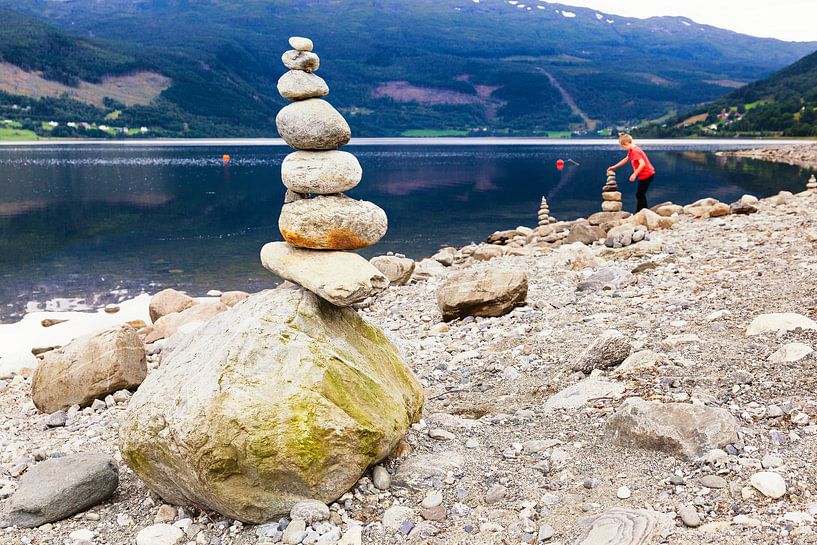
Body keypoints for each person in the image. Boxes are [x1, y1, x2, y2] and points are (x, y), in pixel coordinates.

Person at [607, 133, 656, 211]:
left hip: (647, 175)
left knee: (639, 194)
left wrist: (634, 174)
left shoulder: (635, 151)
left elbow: (642, 164)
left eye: (623, 147)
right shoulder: (631, 150)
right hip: (645, 175)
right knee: (640, 194)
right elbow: (626, 159)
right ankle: (643, 211)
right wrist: (614, 167)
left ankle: (641, 212)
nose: (623, 149)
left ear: (626, 144)